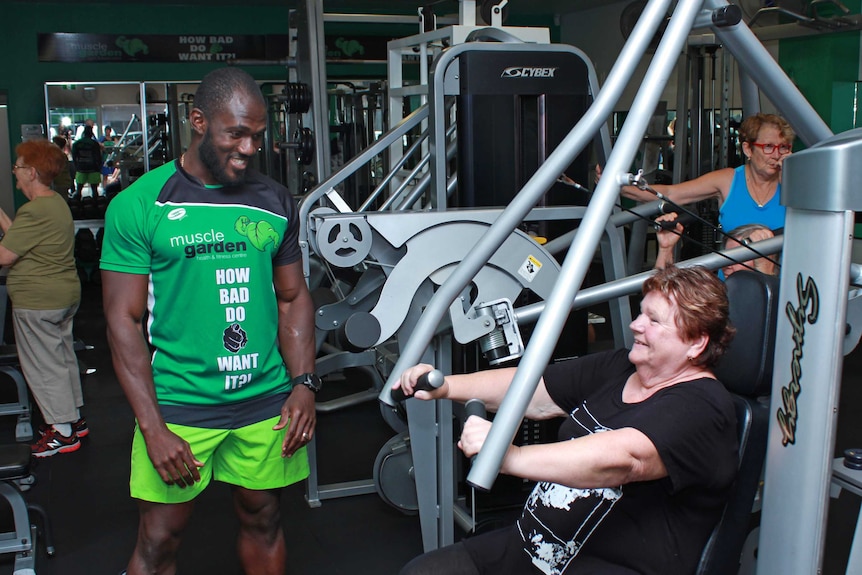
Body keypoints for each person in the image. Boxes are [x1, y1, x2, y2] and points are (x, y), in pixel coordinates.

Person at [100, 67, 318, 575]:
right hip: (180, 403)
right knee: (158, 540)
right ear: (198, 121)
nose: (248, 149)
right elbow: (122, 321)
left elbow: (293, 298)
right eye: (235, 134)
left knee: (264, 520)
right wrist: (152, 426)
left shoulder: (274, 201)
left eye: (257, 137)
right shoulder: (140, 205)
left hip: (265, 401)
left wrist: (304, 384)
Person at [395, 265, 738, 575]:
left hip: (605, 565)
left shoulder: (704, 407)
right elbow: (530, 389)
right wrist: (446, 386)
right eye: (639, 314)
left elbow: (626, 459)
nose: (636, 325)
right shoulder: (621, 367)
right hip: (532, 547)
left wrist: (510, 456)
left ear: (696, 342)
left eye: (654, 320)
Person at [4, 139, 87, 457]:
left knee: (43, 366)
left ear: (32, 172)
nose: (15, 173)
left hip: (38, 301)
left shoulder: (34, 210)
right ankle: (74, 420)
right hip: (61, 295)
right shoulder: (54, 203)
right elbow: (20, 239)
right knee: (63, 359)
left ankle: (63, 432)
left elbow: (6, 255)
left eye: (18, 167)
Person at [615, 113, 795, 233]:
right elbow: (670, 194)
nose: (777, 155)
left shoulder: (793, 183)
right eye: (769, 147)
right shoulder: (728, 180)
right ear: (748, 149)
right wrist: (617, 186)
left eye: (783, 147)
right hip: (735, 284)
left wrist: (791, 181)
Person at [654, 212, 777, 277]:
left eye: (739, 257)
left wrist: (765, 270)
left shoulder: (786, 298)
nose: (726, 266)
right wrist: (666, 249)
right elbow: (660, 298)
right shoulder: (717, 298)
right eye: (727, 257)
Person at [71, 124, 103, 197]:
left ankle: (78, 205)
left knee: (79, 189)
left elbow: (74, 157)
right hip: (93, 168)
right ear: (91, 134)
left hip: (81, 168)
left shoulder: (77, 143)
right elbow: (98, 157)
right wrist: (99, 168)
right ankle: (95, 205)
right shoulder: (94, 144)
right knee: (94, 190)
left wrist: (77, 167)